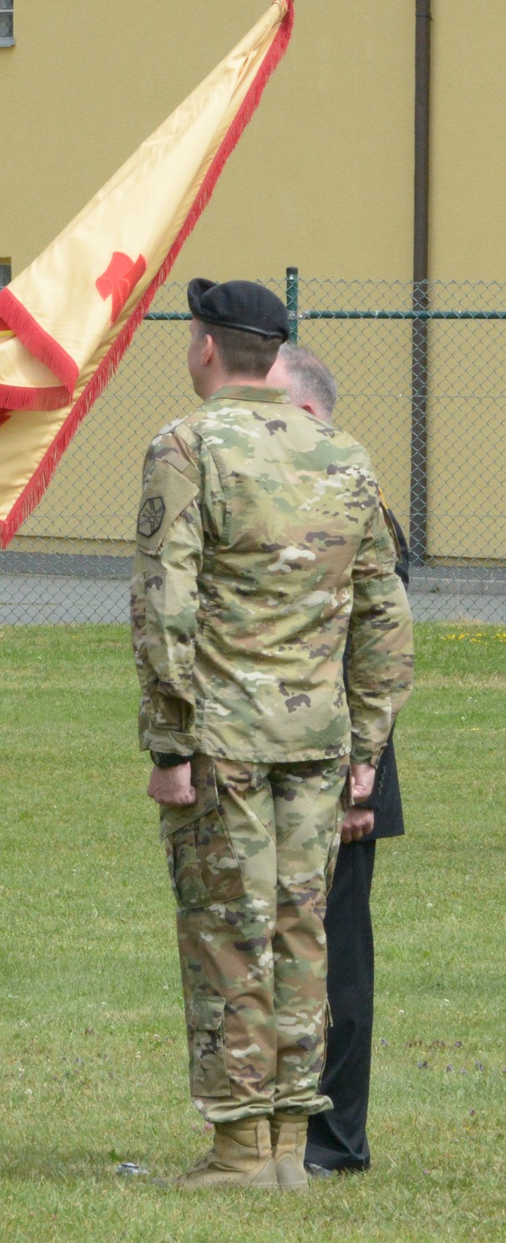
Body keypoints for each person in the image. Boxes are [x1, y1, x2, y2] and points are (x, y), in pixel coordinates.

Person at [131, 278, 413, 1193]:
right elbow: (385, 617)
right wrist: (366, 748)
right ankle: (292, 1144)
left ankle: (239, 1149)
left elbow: (164, 607)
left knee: (226, 932)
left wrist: (169, 746)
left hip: (226, 740)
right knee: (301, 934)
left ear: (207, 348)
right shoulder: (346, 454)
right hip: (320, 742)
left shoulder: (186, 446)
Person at [266, 340, 408, 1177]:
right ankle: (268, 1129)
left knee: (336, 954)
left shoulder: (354, 501)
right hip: (278, 755)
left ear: (311, 413)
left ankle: (334, 1138)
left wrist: (365, 780)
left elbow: (379, 656)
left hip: (347, 764)